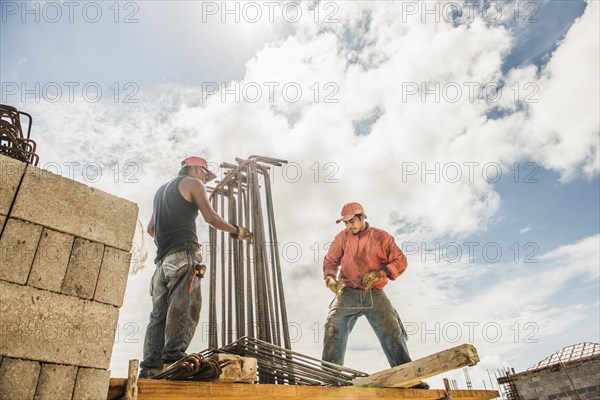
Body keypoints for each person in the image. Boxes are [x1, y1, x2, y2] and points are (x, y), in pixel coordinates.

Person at [139, 156, 252, 379]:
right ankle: (173, 359)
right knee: (185, 306)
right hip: (185, 255)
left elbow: (152, 229)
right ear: (196, 170)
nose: (205, 181)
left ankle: (150, 368)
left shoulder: (161, 192)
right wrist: (236, 230)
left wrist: (167, 244)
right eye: (205, 175)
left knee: (158, 315)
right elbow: (210, 217)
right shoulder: (193, 183)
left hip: (162, 264)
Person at [321, 202, 412, 369]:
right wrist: (330, 278)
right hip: (347, 292)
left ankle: (407, 373)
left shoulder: (381, 237)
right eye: (346, 223)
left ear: (362, 217)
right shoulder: (341, 238)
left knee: (392, 331)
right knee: (333, 327)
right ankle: (331, 376)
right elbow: (330, 261)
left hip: (374, 293)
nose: (349, 226)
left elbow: (401, 261)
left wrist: (380, 272)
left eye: (352, 222)